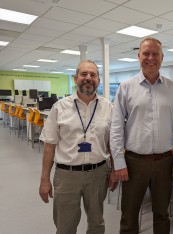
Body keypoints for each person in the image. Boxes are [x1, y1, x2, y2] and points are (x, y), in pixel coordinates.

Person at [110, 37, 173, 234]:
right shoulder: (126, 87)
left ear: (162, 58)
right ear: (138, 57)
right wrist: (119, 162)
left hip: (164, 162)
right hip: (133, 162)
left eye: (155, 54)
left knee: (162, 214)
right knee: (129, 216)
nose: (150, 58)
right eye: (146, 53)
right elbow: (116, 127)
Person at [39, 60, 117, 234]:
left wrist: (114, 170)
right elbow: (49, 147)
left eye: (93, 75)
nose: (88, 78)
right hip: (67, 176)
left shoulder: (108, 107)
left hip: (98, 174)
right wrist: (44, 179)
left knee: (97, 223)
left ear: (98, 80)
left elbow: (112, 143)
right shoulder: (59, 108)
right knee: (65, 226)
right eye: (83, 74)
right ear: (75, 79)